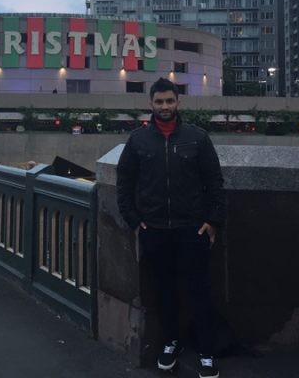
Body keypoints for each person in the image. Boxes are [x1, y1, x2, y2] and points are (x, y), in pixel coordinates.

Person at [116, 78, 226, 378]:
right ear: (150, 104)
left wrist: (213, 220)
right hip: (155, 230)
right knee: (164, 292)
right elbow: (124, 182)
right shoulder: (138, 140)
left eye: (169, 101)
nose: (164, 107)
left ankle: (206, 351)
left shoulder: (197, 138)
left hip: (192, 229)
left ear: (178, 103)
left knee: (199, 291)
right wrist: (133, 220)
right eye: (159, 102)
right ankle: (171, 342)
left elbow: (215, 182)